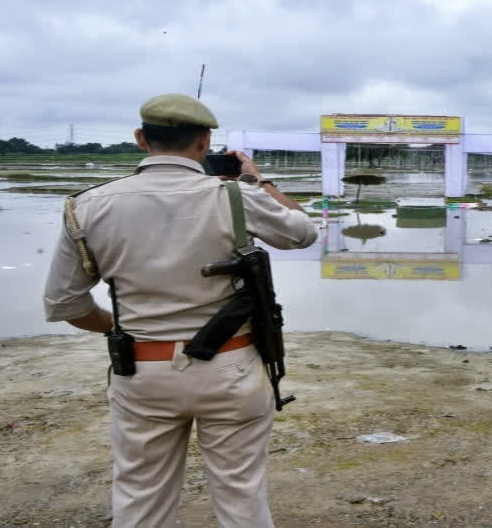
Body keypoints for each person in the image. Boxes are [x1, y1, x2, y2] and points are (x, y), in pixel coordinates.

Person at [41, 94, 318, 527]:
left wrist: (121, 329)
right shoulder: (233, 196)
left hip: (141, 372)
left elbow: (64, 303)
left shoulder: (88, 206)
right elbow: (302, 233)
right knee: (242, 497)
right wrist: (256, 181)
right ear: (205, 142)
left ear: (140, 138)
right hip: (233, 368)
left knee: (139, 497)